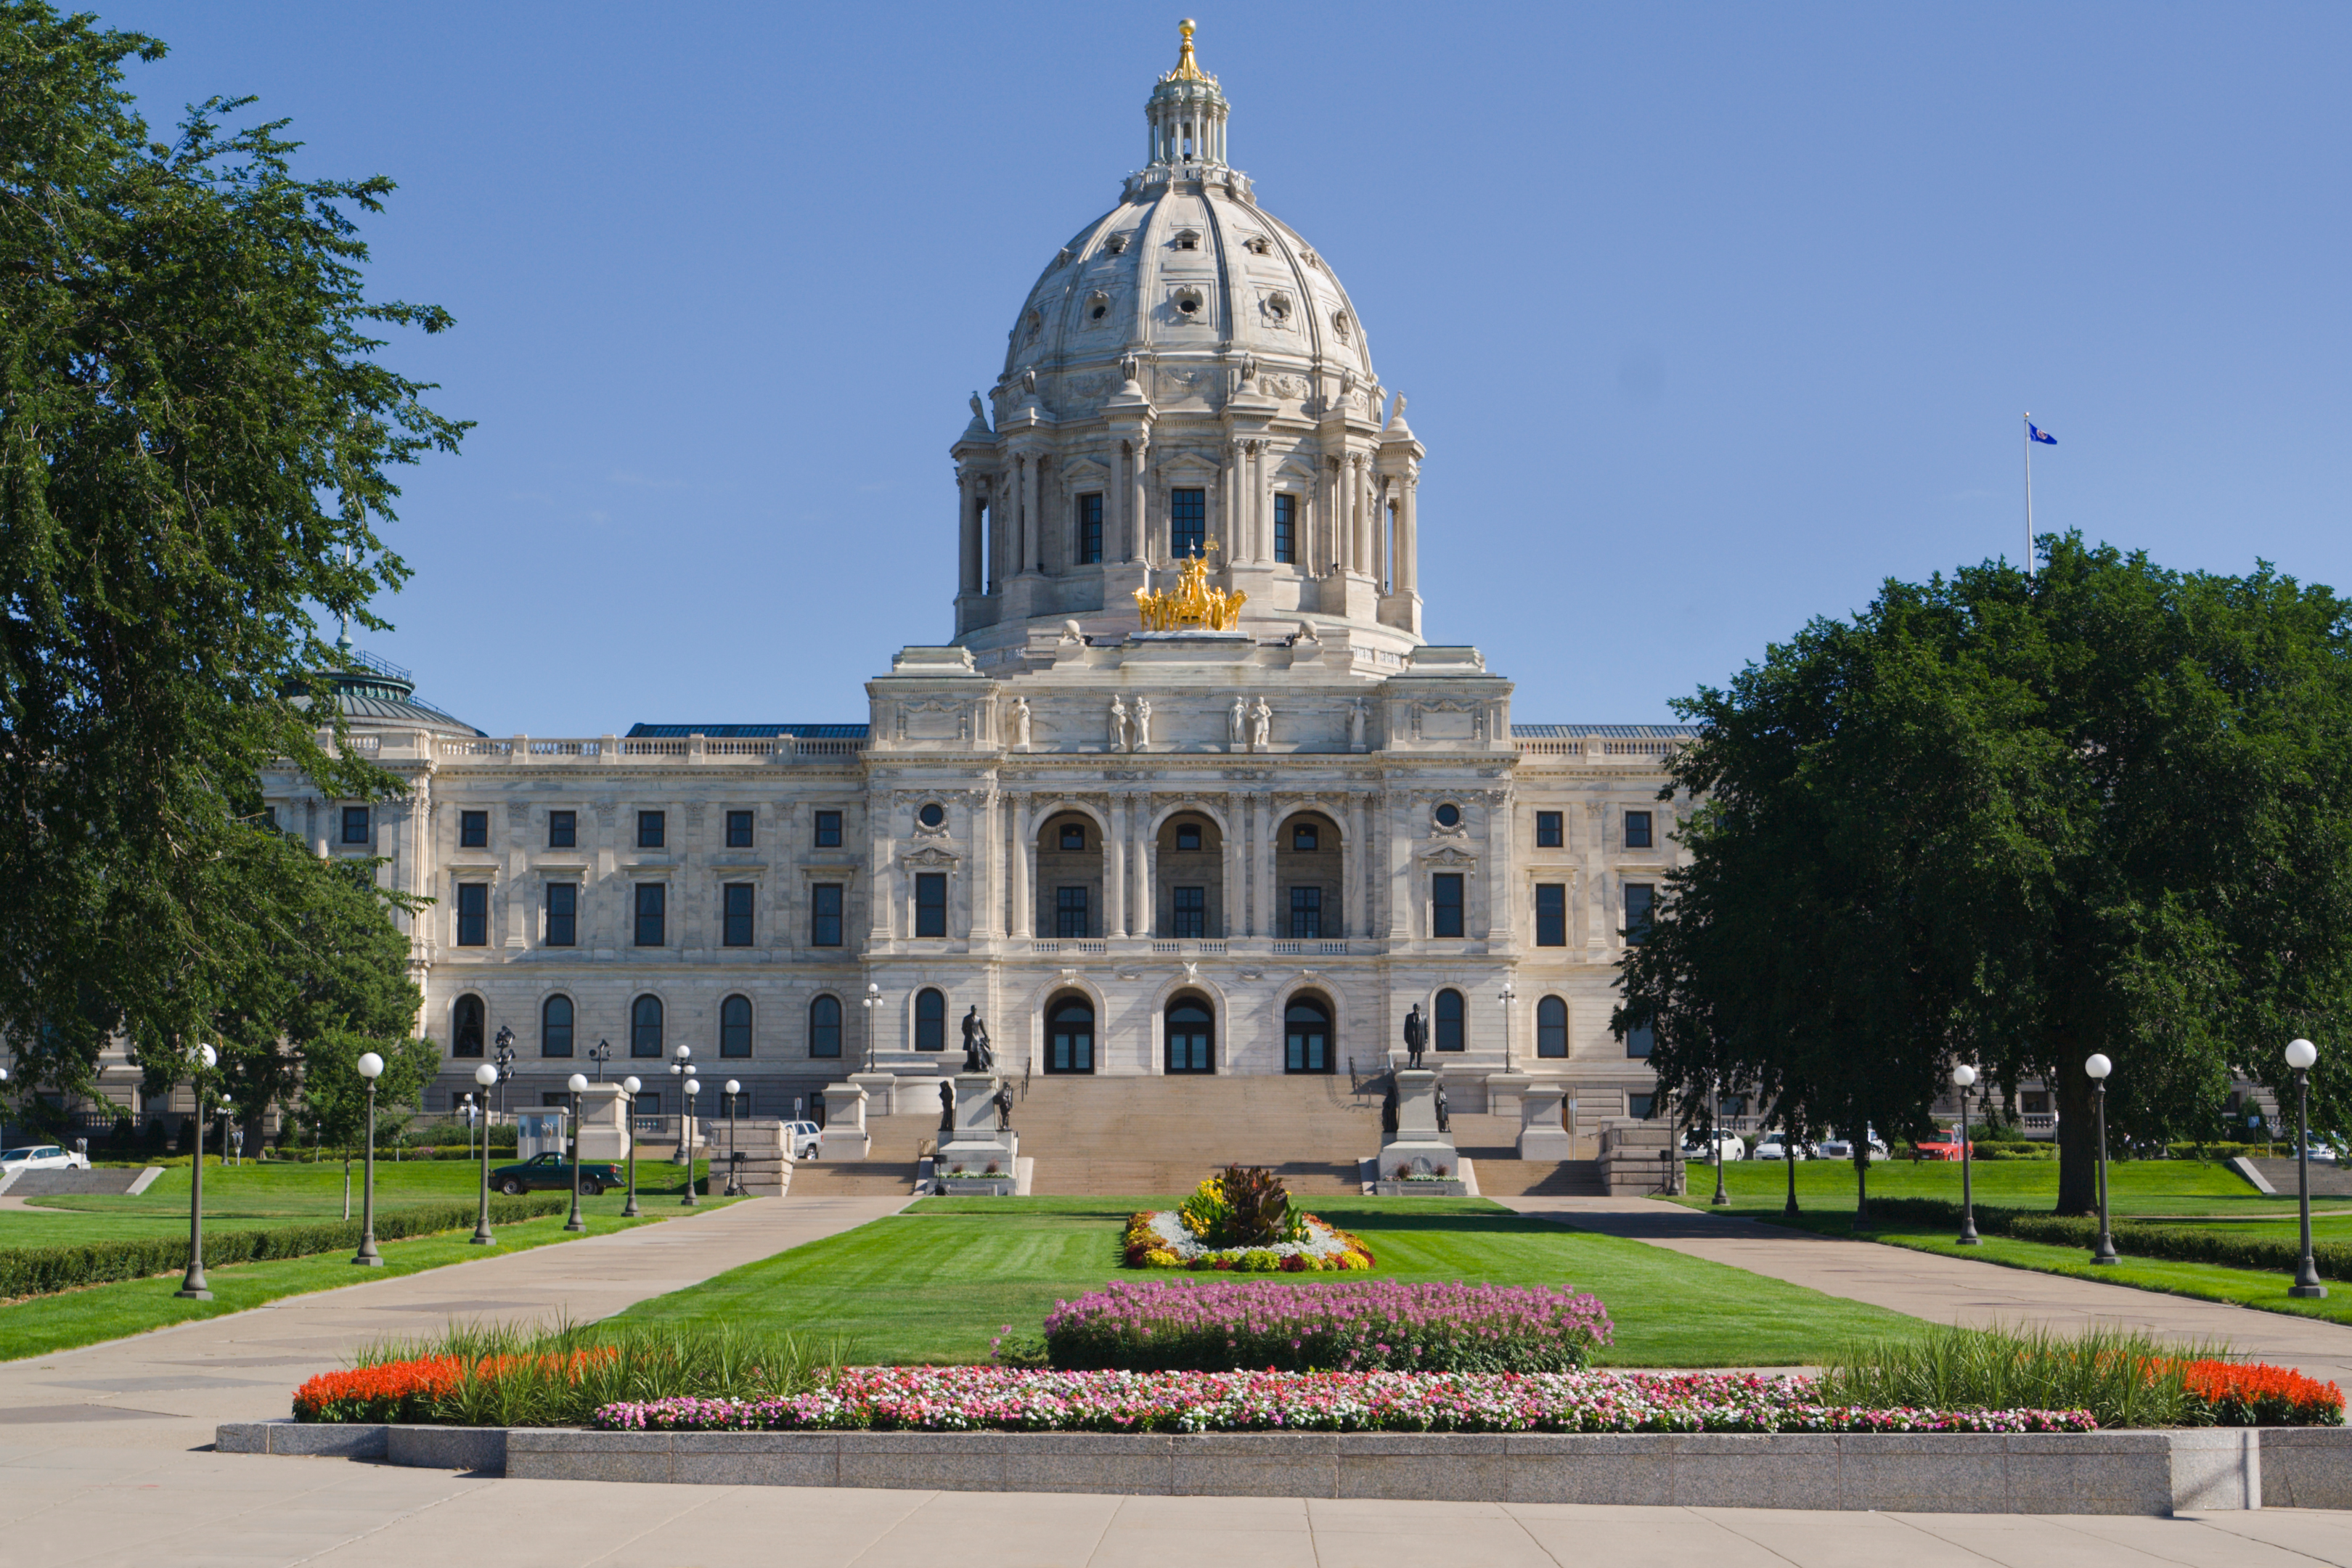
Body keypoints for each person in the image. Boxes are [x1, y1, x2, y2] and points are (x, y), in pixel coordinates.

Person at [960, 1007, 995, 1073]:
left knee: (978, 1051)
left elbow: (982, 1028)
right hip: (970, 1038)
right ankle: (970, 1066)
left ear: (976, 1010)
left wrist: (986, 1035)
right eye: (973, 1009)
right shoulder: (967, 1018)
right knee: (970, 1052)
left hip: (976, 1038)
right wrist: (967, 1035)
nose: (974, 1011)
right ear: (971, 1010)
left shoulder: (979, 1019)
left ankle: (979, 1066)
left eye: (975, 1009)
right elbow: (963, 1028)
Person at [1402, 1003, 1428, 1069]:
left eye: (1418, 1007)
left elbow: (1426, 1028)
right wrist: (1406, 1037)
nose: (1416, 1009)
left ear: (1419, 1008)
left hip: (1421, 1036)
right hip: (1412, 1036)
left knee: (1419, 1052)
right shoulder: (1409, 1017)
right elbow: (1406, 1028)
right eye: (1415, 1007)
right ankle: (1412, 1065)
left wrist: (1426, 1038)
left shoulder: (1424, 1017)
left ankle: (1419, 1065)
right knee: (1412, 1052)